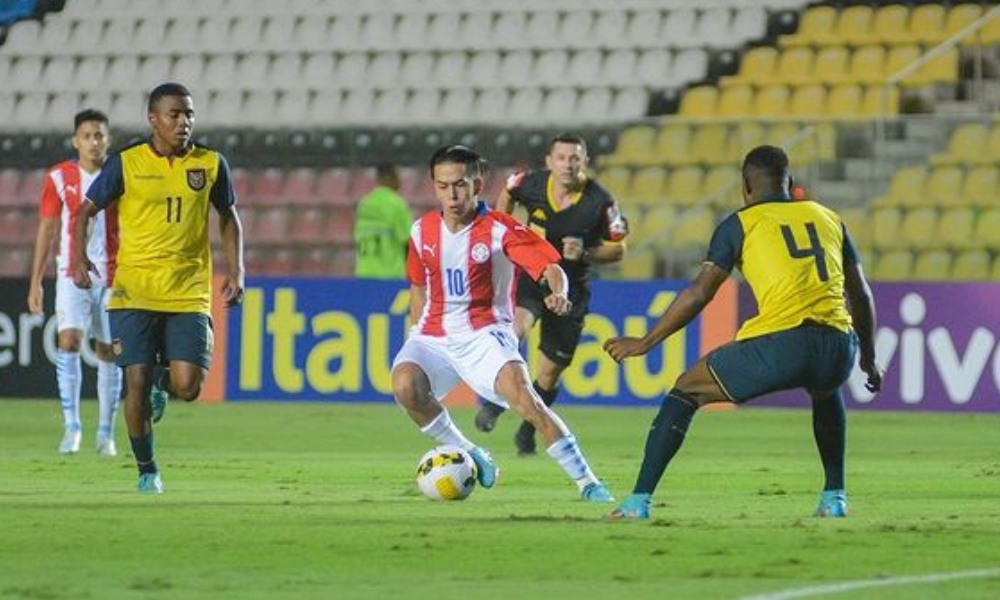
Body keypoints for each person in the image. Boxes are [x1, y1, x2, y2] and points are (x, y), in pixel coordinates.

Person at [603, 145, 883, 520]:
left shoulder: (740, 223)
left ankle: (638, 502)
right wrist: (867, 356)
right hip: (838, 347)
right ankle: (835, 497)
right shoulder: (828, 217)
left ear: (745, 186)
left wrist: (647, 342)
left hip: (783, 345)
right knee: (826, 388)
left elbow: (700, 292)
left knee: (686, 389)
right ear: (790, 183)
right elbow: (860, 292)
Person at [391, 144, 613, 503]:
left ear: (478, 185)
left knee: (528, 402)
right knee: (404, 387)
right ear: (434, 186)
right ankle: (469, 451)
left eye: (460, 184)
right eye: (443, 186)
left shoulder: (499, 228)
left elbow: (550, 268)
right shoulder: (421, 232)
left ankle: (588, 482)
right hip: (433, 334)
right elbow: (419, 286)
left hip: (484, 332)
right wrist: (415, 332)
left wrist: (558, 292)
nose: (452, 194)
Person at [70, 82, 245, 493]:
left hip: (189, 292)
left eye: (189, 114)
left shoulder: (211, 163)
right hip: (134, 292)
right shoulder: (126, 164)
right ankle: (148, 469)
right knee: (135, 381)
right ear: (154, 119)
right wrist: (79, 259)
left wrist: (238, 272)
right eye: (175, 115)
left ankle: (163, 386)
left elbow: (229, 217)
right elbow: (84, 212)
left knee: (188, 386)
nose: (184, 122)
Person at [474, 133, 629, 456]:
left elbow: (619, 249)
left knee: (549, 373)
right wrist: (504, 231)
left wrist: (587, 253)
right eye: (561, 158)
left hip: (571, 289)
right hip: (534, 275)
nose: (568, 165)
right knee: (515, 329)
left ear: (585, 162)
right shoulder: (529, 183)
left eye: (575, 158)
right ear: (549, 161)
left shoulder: (602, 201)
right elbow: (508, 192)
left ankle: (527, 431)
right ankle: (493, 399)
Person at [27, 108, 123, 456]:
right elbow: (47, 228)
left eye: (99, 135)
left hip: (113, 274)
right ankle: (72, 428)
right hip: (71, 272)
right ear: (75, 141)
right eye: (87, 135)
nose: (94, 141)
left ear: (108, 140)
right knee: (68, 341)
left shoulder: (120, 174)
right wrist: (36, 281)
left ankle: (106, 433)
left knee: (108, 351)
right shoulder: (59, 177)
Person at [354, 163, 412, 279]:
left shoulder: (364, 204)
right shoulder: (396, 204)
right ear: (391, 178)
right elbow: (408, 242)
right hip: (389, 275)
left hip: (364, 273)